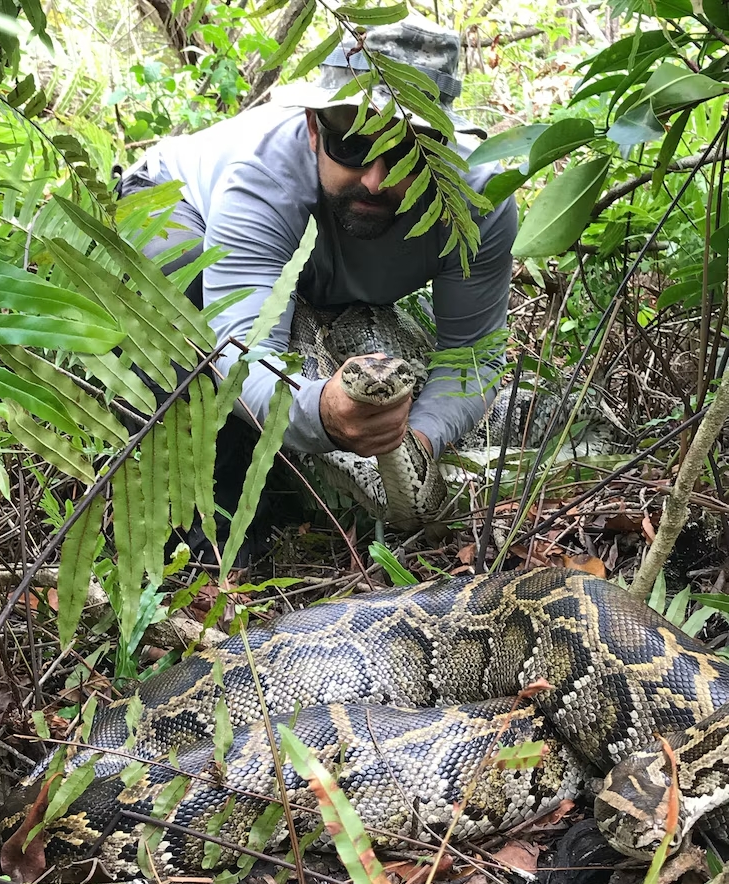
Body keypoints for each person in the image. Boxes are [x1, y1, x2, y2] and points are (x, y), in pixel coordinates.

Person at [118, 13, 517, 560]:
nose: (375, 179)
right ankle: (199, 519)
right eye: (352, 143)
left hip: (320, 259)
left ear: (443, 148)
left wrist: (420, 441)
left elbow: (471, 355)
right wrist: (322, 415)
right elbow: (241, 352)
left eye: (405, 151)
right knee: (181, 278)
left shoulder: (478, 202)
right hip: (179, 204)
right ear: (312, 126)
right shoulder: (262, 176)